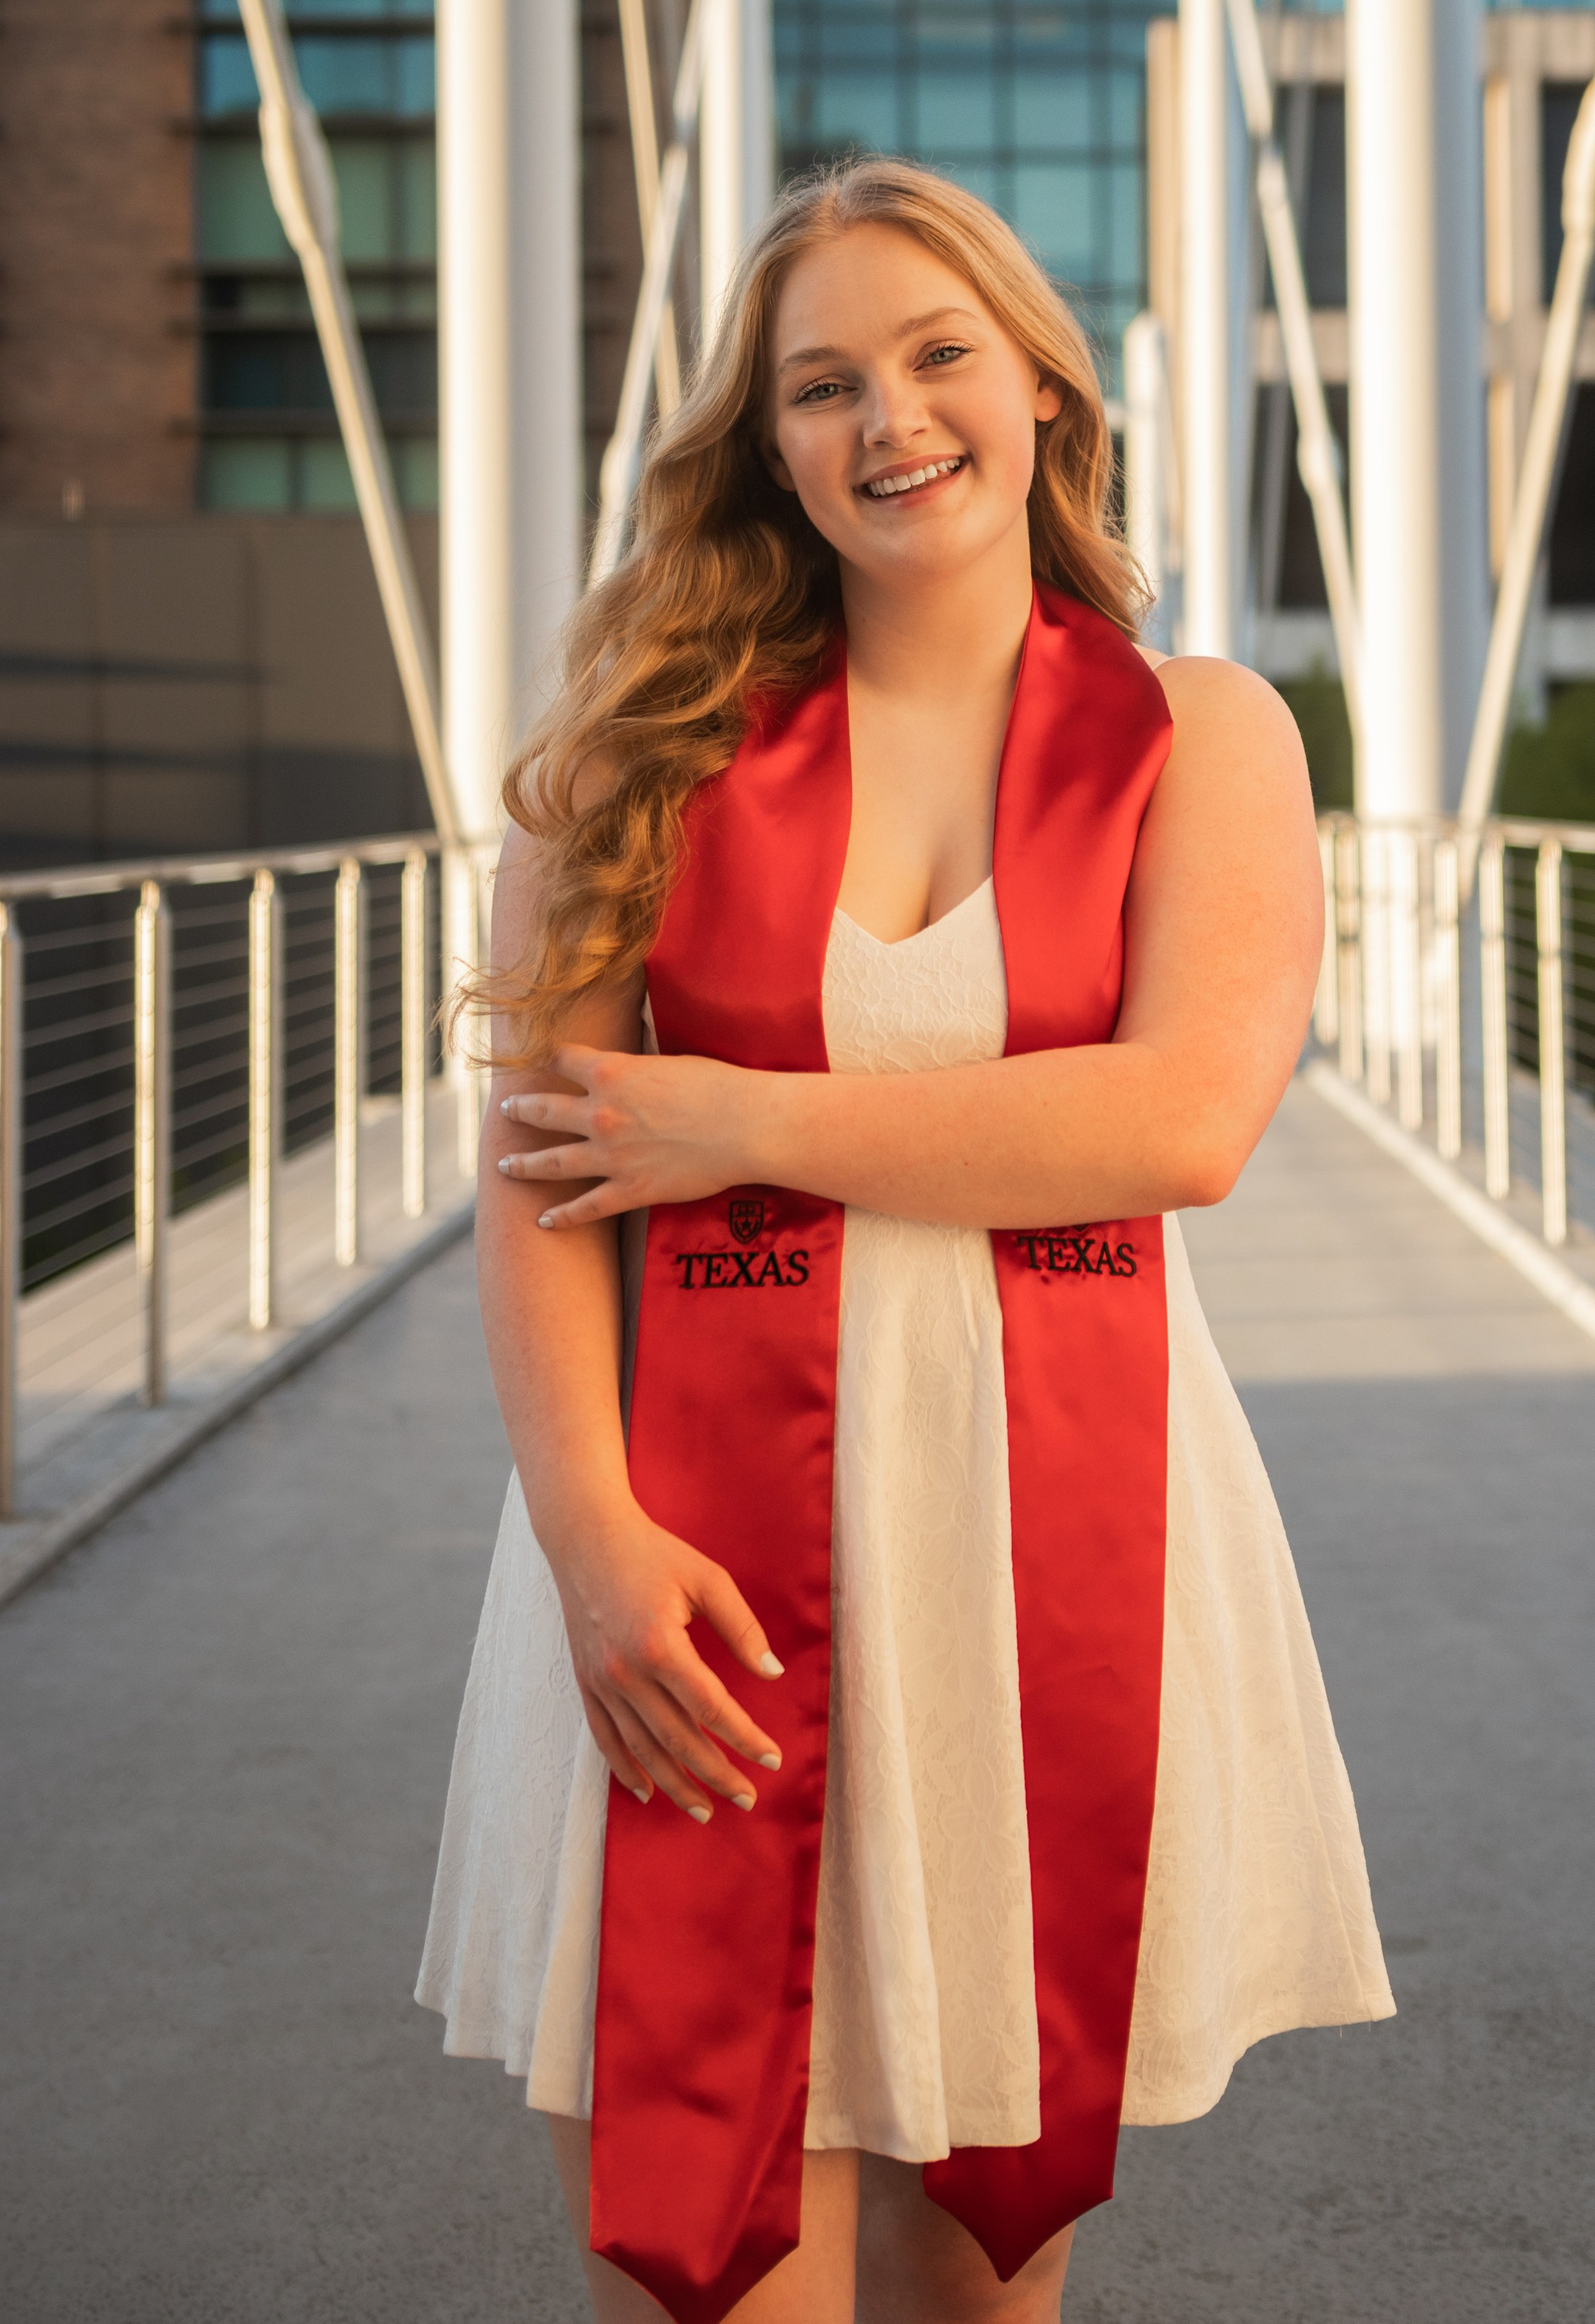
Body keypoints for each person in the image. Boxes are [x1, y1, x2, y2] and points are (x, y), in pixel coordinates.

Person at [417, 160, 1392, 2324]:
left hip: (1050, 1546)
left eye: (940, 354)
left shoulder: (1200, 734)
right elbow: (540, 1176)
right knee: (706, 2274)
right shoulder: (633, 763)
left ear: (1043, 384)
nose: (892, 419)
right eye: (823, 384)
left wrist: (734, 1119)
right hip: (688, 1556)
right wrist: (587, 1536)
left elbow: (1177, 1120)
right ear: (764, 448)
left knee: (984, 2278)